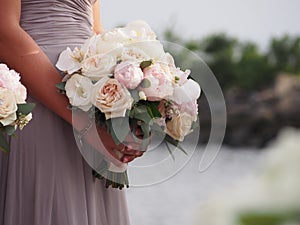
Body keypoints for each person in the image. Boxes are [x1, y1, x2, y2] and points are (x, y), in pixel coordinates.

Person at [0, 0, 143, 224]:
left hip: (92, 98)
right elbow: (4, 33)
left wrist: (127, 109)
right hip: (40, 98)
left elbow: (94, 30)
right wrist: (88, 125)